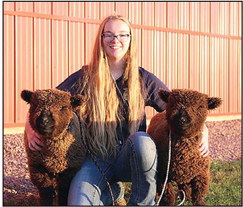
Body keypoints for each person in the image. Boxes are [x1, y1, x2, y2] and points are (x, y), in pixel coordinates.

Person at [25, 15, 209, 205]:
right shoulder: (85, 76)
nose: (116, 40)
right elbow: (48, 100)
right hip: (96, 158)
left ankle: (143, 202)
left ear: (130, 39)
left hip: (132, 158)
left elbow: (177, 106)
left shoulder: (143, 78)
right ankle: (112, 192)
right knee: (78, 203)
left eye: (123, 35)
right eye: (109, 35)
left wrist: (204, 131)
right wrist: (30, 130)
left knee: (143, 141)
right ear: (101, 39)